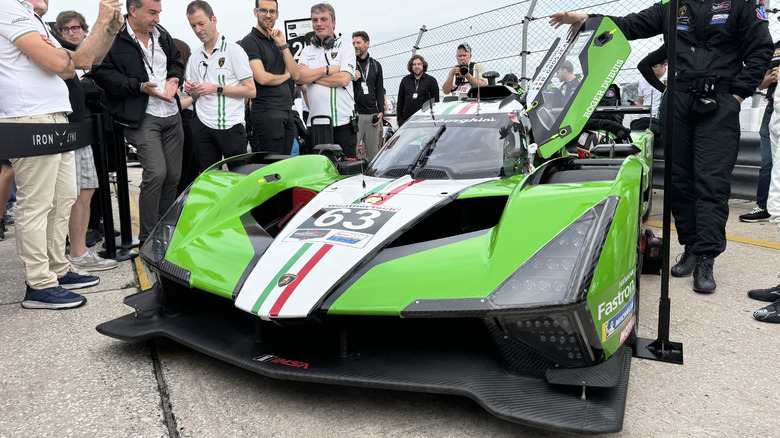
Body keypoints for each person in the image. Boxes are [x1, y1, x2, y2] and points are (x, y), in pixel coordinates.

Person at [551, 4, 773, 294]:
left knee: (711, 181)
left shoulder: (742, 5)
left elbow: (760, 50)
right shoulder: (673, 6)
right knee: (678, 180)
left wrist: (738, 94)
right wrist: (588, 20)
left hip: (720, 100)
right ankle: (691, 246)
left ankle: (707, 257)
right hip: (678, 100)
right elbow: (629, 24)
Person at [0, 0, 123, 309]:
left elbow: (83, 61)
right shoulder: (7, 9)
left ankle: (57, 269)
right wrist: (94, 27)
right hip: (30, 118)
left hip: (55, 117)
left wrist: (108, 28)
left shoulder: (33, 18)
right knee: (37, 204)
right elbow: (63, 64)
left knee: (63, 198)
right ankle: (39, 284)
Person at [91, 0, 185, 245]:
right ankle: (148, 237)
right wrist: (140, 87)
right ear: (133, 11)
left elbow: (176, 61)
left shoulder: (163, 34)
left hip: (171, 114)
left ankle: (165, 233)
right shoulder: (114, 35)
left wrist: (175, 79)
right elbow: (101, 72)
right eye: (152, 13)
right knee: (156, 173)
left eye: (159, 13)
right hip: (141, 116)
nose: (157, 19)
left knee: (173, 175)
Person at [52, 9, 117, 272]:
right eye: (65, 29)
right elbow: (85, 62)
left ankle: (79, 253)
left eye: (75, 28)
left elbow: (94, 59)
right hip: (63, 130)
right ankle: (60, 258)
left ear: (84, 29)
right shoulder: (56, 49)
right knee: (63, 195)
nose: (71, 32)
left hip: (84, 129)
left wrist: (110, 28)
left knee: (87, 188)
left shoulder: (82, 52)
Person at [184, 1, 255, 171]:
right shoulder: (194, 57)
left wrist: (217, 88)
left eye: (201, 24)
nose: (197, 30)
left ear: (214, 20)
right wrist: (192, 90)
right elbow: (193, 97)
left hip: (230, 126)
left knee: (238, 179)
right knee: (209, 180)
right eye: (193, 25)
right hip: (202, 125)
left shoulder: (233, 51)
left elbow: (251, 90)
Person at [296, 3, 357, 157]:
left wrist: (312, 77)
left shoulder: (346, 48)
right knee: (318, 177)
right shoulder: (306, 50)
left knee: (345, 175)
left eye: (324, 19)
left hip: (343, 125)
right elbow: (300, 77)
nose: (319, 24)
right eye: (315, 20)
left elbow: (344, 79)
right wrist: (326, 70)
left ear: (333, 23)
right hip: (315, 125)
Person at [240, 0, 300, 155]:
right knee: (272, 168)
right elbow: (262, 78)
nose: (268, 15)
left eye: (272, 11)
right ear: (256, 12)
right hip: (267, 112)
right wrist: (286, 75)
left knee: (285, 165)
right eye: (263, 11)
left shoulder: (276, 41)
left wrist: (283, 44)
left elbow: (296, 75)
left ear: (277, 15)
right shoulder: (250, 41)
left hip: (287, 111)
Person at [740, 42, 780, 223]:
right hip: (773, 109)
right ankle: (763, 206)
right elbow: (759, 82)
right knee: (768, 162)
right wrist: (772, 78)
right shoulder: (775, 48)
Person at [351, 31, 384, 161]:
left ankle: (372, 180)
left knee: (373, 154)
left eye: (358, 42)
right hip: (355, 114)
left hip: (372, 115)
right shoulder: (350, 64)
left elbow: (380, 89)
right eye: (353, 43)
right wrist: (351, 78)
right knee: (352, 153)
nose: (355, 46)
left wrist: (381, 110)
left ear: (367, 43)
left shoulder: (376, 65)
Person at [396, 54, 439, 127]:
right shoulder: (405, 80)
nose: (417, 66)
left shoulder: (431, 81)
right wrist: (400, 120)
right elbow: (400, 101)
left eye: (419, 64)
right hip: (407, 120)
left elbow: (436, 102)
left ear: (423, 65)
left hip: (425, 120)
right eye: (414, 64)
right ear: (411, 66)